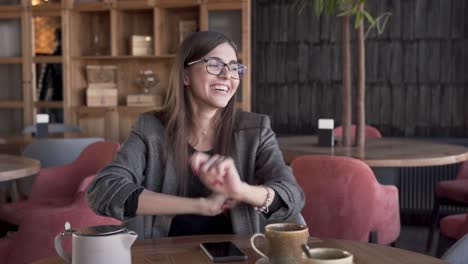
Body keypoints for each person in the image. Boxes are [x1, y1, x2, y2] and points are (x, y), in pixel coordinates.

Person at [86, 31, 305, 239]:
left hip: (240, 255)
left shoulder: (256, 129)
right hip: (167, 255)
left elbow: (292, 196)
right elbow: (103, 190)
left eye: (234, 67)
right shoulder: (150, 128)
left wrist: (240, 190)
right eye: (214, 64)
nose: (227, 75)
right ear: (185, 75)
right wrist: (201, 205)